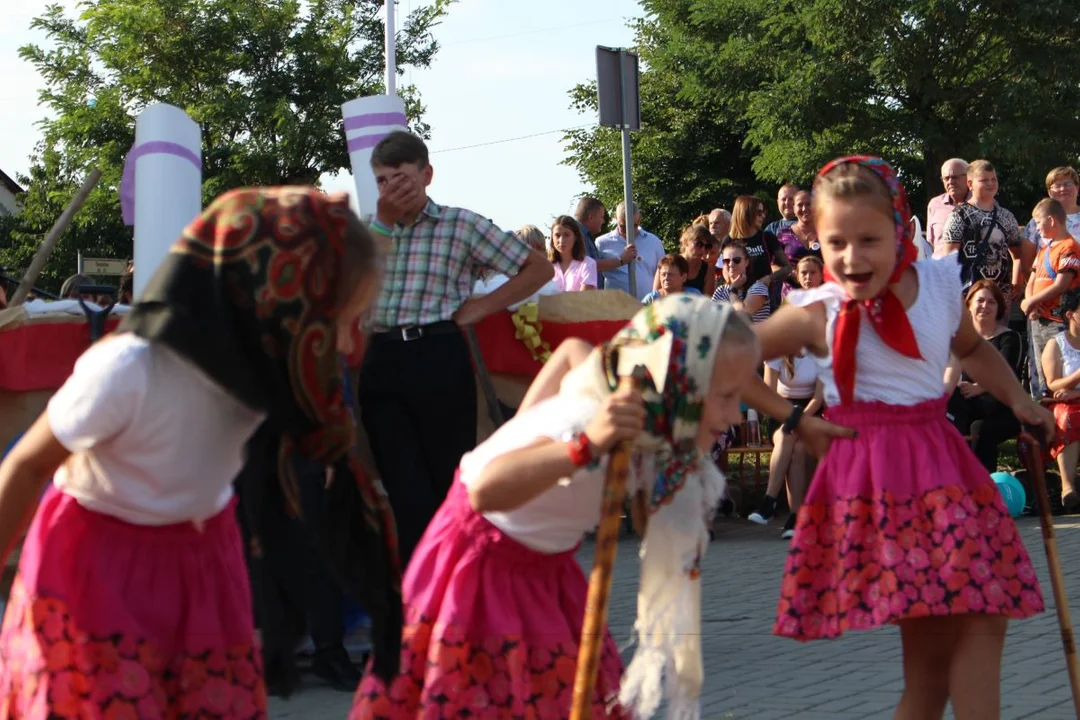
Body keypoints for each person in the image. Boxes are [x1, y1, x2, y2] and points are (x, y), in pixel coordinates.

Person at [0, 187, 401, 717]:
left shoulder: (275, 370)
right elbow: (28, 466)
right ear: (270, 299)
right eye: (334, 321)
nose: (346, 347)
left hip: (203, 561)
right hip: (98, 568)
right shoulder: (131, 369)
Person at [350, 297, 762, 719]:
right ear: (680, 384)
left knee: (569, 697)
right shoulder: (589, 427)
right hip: (483, 564)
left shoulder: (641, 419)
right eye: (726, 396)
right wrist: (579, 447)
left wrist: (518, 432)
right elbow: (485, 489)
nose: (734, 415)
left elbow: (571, 353)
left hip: (545, 566)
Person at [756, 156, 1051, 719]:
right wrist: (793, 419)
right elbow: (728, 359)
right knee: (953, 639)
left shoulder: (939, 284)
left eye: (868, 238)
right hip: (884, 483)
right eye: (835, 241)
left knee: (963, 635)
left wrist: (1019, 399)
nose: (850, 256)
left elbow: (970, 349)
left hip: (940, 465)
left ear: (900, 229)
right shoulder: (822, 310)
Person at [362, 131, 554, 564]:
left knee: (447, 485)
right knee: (403, 490)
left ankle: (457, 591)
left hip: (437, 354)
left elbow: (537, 267)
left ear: (427, 174)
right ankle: (421, 603)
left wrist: (483, 306)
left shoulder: (460, 224)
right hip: (381, 359)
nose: (392, 188)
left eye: (401, 177)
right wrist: (383, 221)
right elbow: (352, 286)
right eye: (382, 180)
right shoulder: (371, 229)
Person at [944, 280, 1023, 473]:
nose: (985, 306)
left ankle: (984, 491)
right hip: (968, 405)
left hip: (1002, 407)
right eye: (980, 301)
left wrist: (980, 387)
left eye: (991, 302)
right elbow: (950, 376)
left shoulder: (1010, 338)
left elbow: (1005, 374)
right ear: (969, 305)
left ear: (999, 308)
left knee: (980, 430)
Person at [942, 159, 1026, 311]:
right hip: (969, 297)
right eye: (984, 180)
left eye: (993, 179)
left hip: (1001, 297)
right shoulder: (959, 216)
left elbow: (1018, 254)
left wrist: (1017, 284)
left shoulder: (1006, 216)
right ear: (970, 184)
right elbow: (948, 259)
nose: (990, 184)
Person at [1021, 198, 1080, 399]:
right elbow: (1031, 280)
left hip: (1058, 321)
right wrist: (1030, 303)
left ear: (1051, 221)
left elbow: (1061, 284)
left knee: (1059, 367)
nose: (1036, 228)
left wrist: (1032, 301)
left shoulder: (1069, 247)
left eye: (1038, 223)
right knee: (1039, 369)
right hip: (1038, 318)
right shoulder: (1045, 249)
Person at [1041, 288, 1080, 511]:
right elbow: (1053, 384)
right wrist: (1076, 377)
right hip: (1064, 403)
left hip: (1075, 396)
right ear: (1070, 315)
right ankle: (1068, 486)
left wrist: (1077, 392)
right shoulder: (1056, 344)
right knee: (1067, 416)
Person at [595, 201, 666, 301]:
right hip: (616, 308)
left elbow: (663, 272)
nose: (630, 230)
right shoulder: (602, 243)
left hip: (647, 307)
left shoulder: (653, 242)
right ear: (616, 218)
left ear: (639, 219)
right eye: (624, 226)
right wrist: (620, 260)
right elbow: (591, 268)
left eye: (634, 225)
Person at [712, 241, 770, 324]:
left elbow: (742, 315)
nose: (731, 264)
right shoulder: (721, 291)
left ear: (746, 262)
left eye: (736, 260)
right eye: (726, 261)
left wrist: (733, 289)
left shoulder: (759, 287)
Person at [653, 224, 716, 296]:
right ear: (686, 242)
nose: (703, 249)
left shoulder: (707, 269)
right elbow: (656, 296)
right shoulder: (667, 263)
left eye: (707, 246)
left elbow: (707, 301)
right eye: (699, 244)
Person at [927, 158, 970, 258]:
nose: (951, 182)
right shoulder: (934, 204)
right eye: (946, 178)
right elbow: (933, 242)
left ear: (968, 177)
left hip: (971, 271)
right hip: (940, 270)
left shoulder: (983, 203)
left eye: (955, 177)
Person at [549, 215, 598, 292]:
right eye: (557, 235)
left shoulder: (588, 264)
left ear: (576, 237)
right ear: (552, 238)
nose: (561, 241)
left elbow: (583, 298)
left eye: (566, 235)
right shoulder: (547, 266)